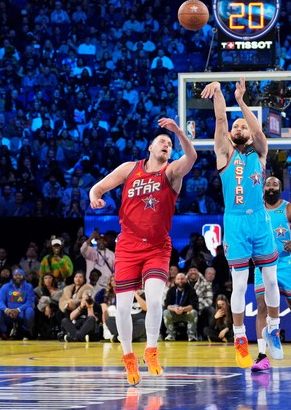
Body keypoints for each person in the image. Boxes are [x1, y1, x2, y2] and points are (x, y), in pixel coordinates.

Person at [89, 117, 197, 385]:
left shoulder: (171, 173)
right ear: (149, 147)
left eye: (169, 144)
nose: (166, 144)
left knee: (155, 299)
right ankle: (128, 357)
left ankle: (151, 349)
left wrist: (178, 132)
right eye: (162, 141)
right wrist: (94, 196)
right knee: (123, 307)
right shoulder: (130, 168)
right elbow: (99, 186)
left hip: (158, 247)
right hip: (127, 245)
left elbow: (192, 156)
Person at [200, 79, 283, 368]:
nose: (238, 128)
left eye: (242, 126)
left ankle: (272, 328)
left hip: (259, 220)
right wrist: (220, 93)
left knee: (270, 279)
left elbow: (258, 131)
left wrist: (242, 101)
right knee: (238, 284)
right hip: (234, 223)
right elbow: (221, 119)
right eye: (236, 127)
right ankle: (239, 337)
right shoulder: (224, 153)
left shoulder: (259, 152)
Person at [252, 176, 291, 371]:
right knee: (262, 305)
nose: (271, 187)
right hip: (262, 263)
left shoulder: (290, 208)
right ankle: (262, 355)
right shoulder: (256, 209)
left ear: (280, 189)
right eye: (268, 184)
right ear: (263, 188)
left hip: (284, 263)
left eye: (275, 184)